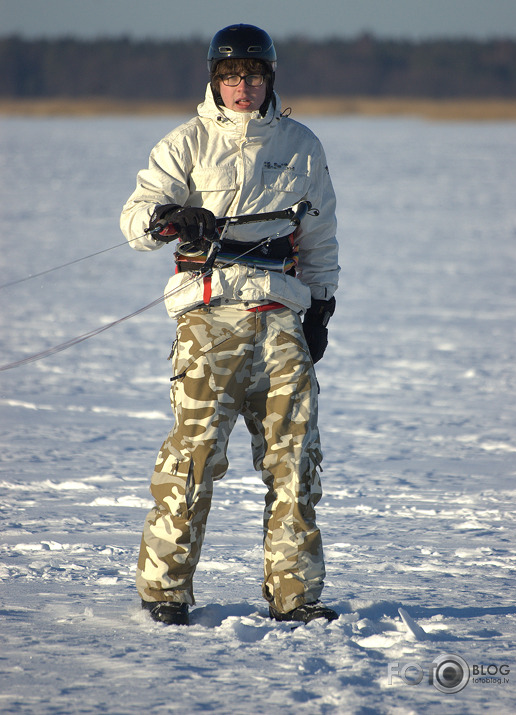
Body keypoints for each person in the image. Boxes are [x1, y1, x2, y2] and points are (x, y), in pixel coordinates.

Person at [120, 23, 339, 626]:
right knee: (191, 460)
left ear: (271, 79)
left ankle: (296, 597)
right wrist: (169, 218)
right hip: (207, 323)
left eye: (254, 75)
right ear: (214, 80)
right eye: (231, 76)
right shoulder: (184, 143)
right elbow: (135, 220)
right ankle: (164, 593)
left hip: (280, 325)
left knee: (295, 464)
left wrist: (321, 308)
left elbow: (319, 236)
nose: (243, 86)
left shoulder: (301, 146)